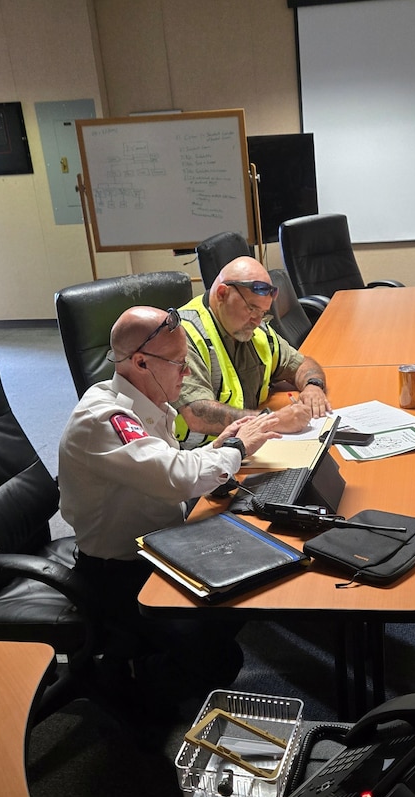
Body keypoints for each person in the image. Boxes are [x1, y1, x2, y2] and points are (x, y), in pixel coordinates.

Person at [58, 304, 282, 730]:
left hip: (160, 544)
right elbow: (175, 477)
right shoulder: (104, 418)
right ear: (140, 362)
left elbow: (168, 463)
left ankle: (154, 661)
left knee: (255, 572)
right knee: (219, 651)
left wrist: (220, 447)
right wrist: (235, 450)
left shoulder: (149, 403)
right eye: (179, 363)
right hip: (119, 571)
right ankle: (136, 691)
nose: (186, 372)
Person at [174, 255, 331, 445]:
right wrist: (274, 421)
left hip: (243, 447)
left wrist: (313, 386)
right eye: (251, 309)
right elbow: (197, 413)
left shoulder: (252, 329)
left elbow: (301, 363)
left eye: (263, 312)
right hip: (199, 457)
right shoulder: (183, 335)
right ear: (222, 294)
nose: (257, 320)